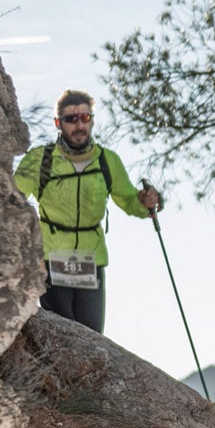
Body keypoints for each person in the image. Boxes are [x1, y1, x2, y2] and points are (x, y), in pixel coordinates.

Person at [14, 90, 163, 334]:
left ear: (92, 120)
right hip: (51, 257)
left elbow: (128, 200)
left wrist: (145, 202)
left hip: (91, 259)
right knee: (61, 336)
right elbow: (12, 196)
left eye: (84, 117)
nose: (79, 124)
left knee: (93, 337)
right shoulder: (40, 159)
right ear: (58, 123)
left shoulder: (107, 161)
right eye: (71, 119)